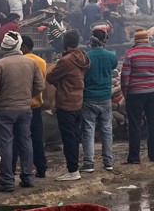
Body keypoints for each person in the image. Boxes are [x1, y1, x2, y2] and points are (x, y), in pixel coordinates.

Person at [0, 31, 45, 193]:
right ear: (19, 45)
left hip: (5, 110)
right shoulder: (31, 63)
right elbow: (40, 87)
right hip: (25, 109)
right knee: (26, 142)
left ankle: (7, 180)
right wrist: (27, 97)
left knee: (6, 144)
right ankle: (27, 177)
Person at [46, 30, 89, 181]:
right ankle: (74, 167)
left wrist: (59, 83)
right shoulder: (82, 57)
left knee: (68, 138)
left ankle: (72, 170)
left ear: (65, 43)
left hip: (66, 103)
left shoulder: (66, 61)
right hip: (78, 101)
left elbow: (50, 76)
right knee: (75, 137)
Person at [121, 28, 154, 164]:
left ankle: (134, 157)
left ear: (135, 40)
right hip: (152, 93)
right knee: (153, 123)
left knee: (134, 124)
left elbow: (125, 77)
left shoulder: (129, 54)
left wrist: (125, 92)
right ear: (147, 39)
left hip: (134, 94)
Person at [81, 27, 118, 173]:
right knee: (107, 130)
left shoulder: (86, 56)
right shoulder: (111, 56)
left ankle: (89, 163)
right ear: (104, 41)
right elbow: (114, 67)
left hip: (89, 97)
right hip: (105, 97)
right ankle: (108, 162)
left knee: (88, 130)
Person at [16, 36, 48, 179]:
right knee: (37, 138)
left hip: (19, 106)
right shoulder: (41, 62)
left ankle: (25, 170)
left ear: (23, 48)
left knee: (21, 140)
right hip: (36, 106)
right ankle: (41, 168)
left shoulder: (19, 62)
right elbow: (41, 84)